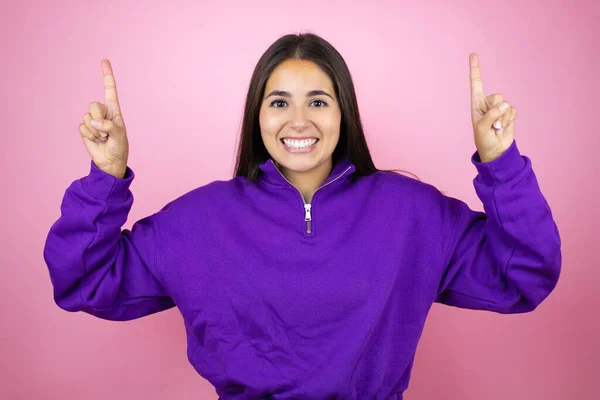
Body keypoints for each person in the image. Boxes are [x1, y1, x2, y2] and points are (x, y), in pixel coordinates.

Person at [43, 33, 562, 400]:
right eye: (278, 103)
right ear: (257, 115)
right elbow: (83, 279)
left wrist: (502, 165)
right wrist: (105, 177)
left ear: (343, 113)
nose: (298, 121)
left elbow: (523, 277)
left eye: (318, 100)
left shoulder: (412, 213)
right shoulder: (200, 219)